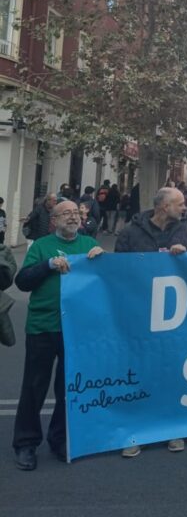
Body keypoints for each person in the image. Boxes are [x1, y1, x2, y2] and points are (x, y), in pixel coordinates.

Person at [12, 201, 103, 470]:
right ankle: (26, 443)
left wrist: (103, 261)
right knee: (34, 387)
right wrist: (48, 265)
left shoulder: (89, 245)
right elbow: (23, 281)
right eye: (66, 214)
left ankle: (59, 438)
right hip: (43, 326)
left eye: (76, 213)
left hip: (75, 328)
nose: (73, 217)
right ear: (54, 220)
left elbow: (104, 283)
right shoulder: (41, 246)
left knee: (67, 388)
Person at [114, 187, 187, 457]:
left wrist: (186, 256)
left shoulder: (185, 231)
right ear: (164, 206)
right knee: (140, 372)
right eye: (180, 204)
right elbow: (116, 270)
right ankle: (136, 432)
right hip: (140, 314)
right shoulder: (131, 232)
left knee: (172, 371)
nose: (184, 208)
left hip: (174, 315)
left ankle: (172, 429)